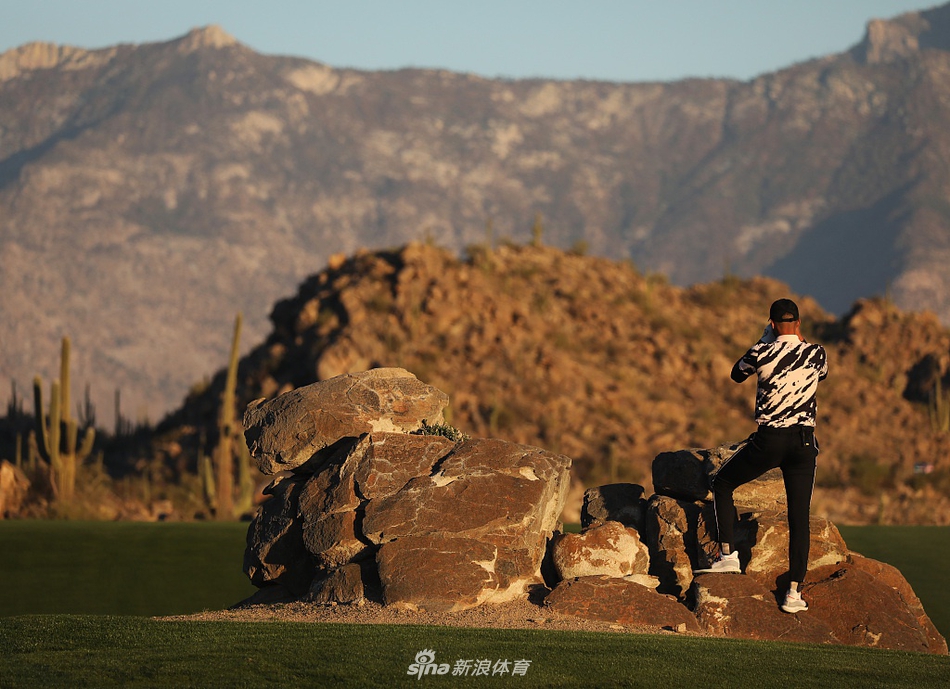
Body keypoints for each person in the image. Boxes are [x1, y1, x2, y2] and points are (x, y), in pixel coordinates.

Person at [693, 298, 828, 614]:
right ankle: (793, 593)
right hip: (804, 444)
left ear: (770, 324)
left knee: (724, 484)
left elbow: (736, 374)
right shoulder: (816, 353)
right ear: (798, 323)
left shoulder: (760, 351)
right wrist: (797, 339)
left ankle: (727, 556)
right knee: (799, 517)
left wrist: (765, 340)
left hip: (769, 440)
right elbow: (820, 374)